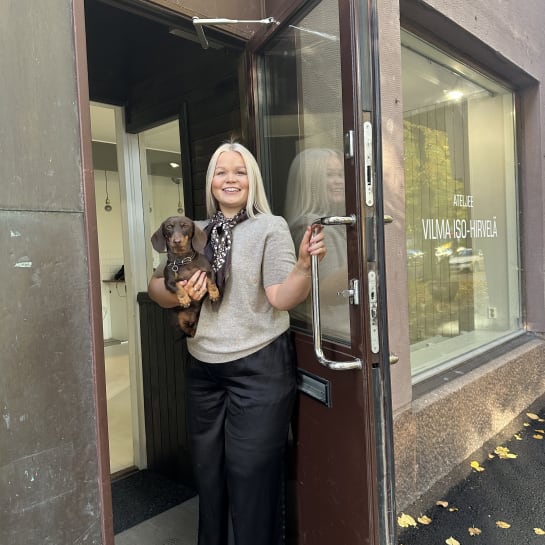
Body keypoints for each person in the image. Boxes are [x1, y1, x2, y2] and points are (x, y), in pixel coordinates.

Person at [148, 141, 326, 545]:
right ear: (211, 181)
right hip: (203, 370)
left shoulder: (270, 227)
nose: (230, 179)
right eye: (221, 171)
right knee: (210, 479)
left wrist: (303, 267)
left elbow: (281, 297)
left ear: (252, 180)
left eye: (240, 171)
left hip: (258, 369)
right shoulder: (192, 230)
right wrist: (181, 296)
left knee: (251, 480)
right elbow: (156, 287)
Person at [284, 147, 349, 341]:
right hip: (332, 335)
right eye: (329, 175)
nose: (339, 181)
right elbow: (324, 291)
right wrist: (366, 260)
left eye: (340, 174)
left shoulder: (334, 222)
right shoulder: (312, 227)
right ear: (311, 182)